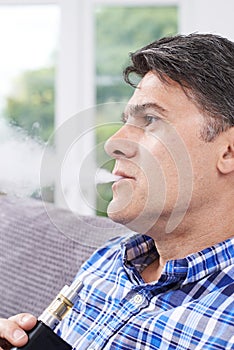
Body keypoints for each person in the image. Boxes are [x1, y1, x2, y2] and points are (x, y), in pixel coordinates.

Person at [0, 33, 234, 349]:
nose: (113, 143)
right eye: (126, 121)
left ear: (229, 151)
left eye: (150, 119)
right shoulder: (110, 259)